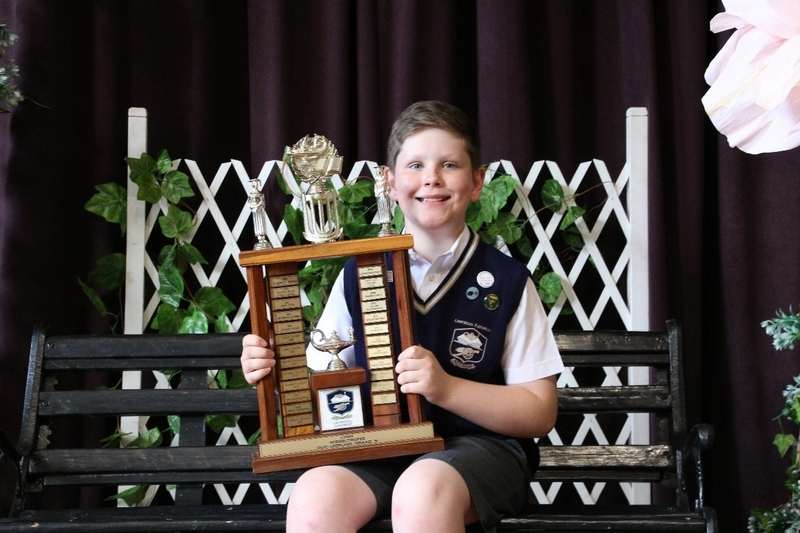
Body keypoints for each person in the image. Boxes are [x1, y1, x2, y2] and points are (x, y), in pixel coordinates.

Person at [240, 100, 563, 533]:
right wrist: (277, 368)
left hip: (481, 451)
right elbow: (323, 381)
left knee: (421, 491)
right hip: (381, 447)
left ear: (477, 182)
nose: (431, 178)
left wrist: (446, 388)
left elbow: (539, 413)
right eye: (415, 165)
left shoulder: (506, 281)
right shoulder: (357, 275)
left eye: (449, 164)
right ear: (390, 182)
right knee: (314, 498)